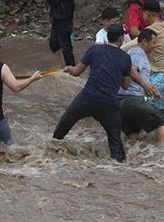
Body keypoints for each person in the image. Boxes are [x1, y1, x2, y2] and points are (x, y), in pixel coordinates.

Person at [53, 24, 133, 162]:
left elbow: (77, 72)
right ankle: (119, 168)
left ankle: (51, 153)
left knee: (63, 127)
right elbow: (126, 86)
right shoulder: (125, 58)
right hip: (109, 103)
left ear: (108, 37)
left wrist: (68, 68)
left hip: (87, 97)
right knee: (115, 141)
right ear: (121, 39)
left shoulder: (95, 50)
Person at [122, 0, 164, 114]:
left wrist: (113, 50)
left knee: (141, 98)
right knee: (163, 108)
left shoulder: (151, 31)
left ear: (146, 14)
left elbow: (131, 45)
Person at [118, 28, 164, 142]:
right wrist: (146, 86)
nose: (155, 46)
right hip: (134, 99)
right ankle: (162, 154)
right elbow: (132, 70)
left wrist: (149, 90)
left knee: (133, 135)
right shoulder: (138, 53)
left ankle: (135, 158)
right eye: (153, 42)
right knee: (163, 123)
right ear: (144, 42)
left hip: (121, 102)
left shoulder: (131, 52)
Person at [38, 0, 75, 66]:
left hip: (64, 18)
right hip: (58, 17)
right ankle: (59, 68)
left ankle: (71, 69)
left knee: (65, 46)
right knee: (54, 44)